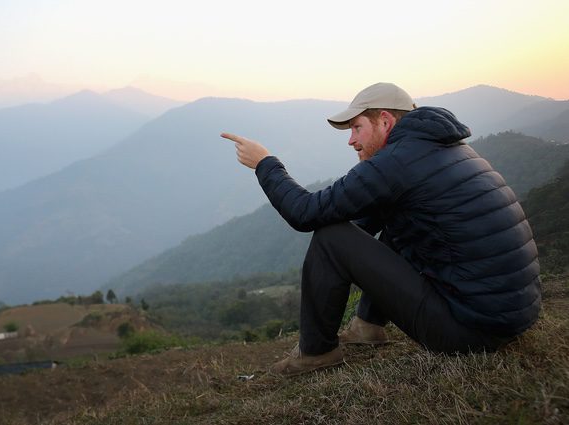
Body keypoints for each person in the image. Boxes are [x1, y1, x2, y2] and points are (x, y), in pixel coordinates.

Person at [221, 82, 541, 376]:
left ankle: (316, 353)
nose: (351, 140)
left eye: (357, 127)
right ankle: (368, 326)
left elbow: (305, 214)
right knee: (390, 222)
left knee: (331, 237)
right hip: (508, 317)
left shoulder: (397, 163)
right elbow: (365, 229)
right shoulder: (442, 149)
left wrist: (265, 164)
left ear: (385, 121)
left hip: (470, 330)